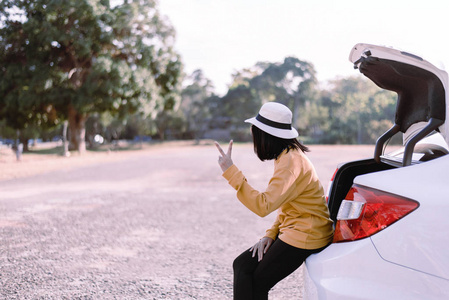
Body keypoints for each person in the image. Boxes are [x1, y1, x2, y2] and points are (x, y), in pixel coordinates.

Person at [215, 102, 334, 300]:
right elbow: (286, 206)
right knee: (242, 266)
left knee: (257, 283)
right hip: (297, 227)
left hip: (307, 233)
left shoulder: (290, 162)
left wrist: (231, 172)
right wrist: (270, 234)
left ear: (265, 136)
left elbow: (263, 206)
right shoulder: (286, 156)